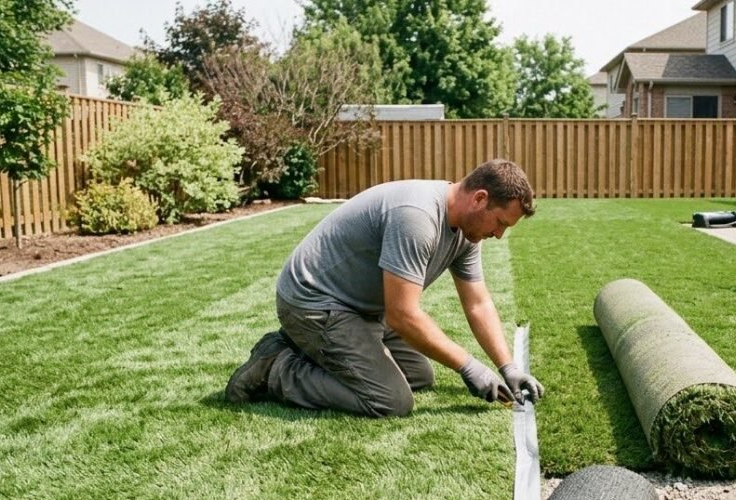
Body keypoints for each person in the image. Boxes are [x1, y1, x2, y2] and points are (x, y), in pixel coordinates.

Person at [225, 159, 545, 417]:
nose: (499, 234)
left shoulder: (467, 232)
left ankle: (296, 347)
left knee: (420, 376)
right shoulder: (417, 217)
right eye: (501, 223)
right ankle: (275, 369)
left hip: (359, 308)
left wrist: (508, 367)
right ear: (480, 199)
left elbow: (477, 303)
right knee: (390, 400)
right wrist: (469, 365)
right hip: (313, 303)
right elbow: (402, 316)